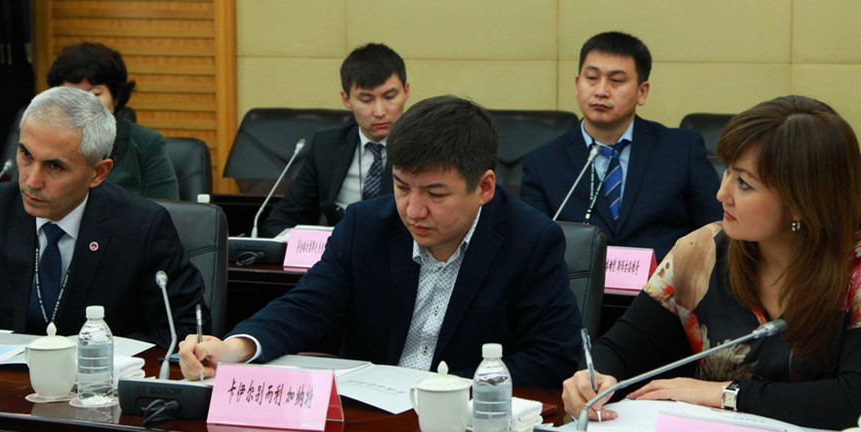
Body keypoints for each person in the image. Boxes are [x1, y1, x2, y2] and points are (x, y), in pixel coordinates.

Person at [180, 96, 582, 387]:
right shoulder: (366, 225)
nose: (413, 210)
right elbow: (309, 304)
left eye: (435, 194)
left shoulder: (531, 241)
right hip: (369, 417)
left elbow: (552, 357)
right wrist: (236, 348)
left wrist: (448, 388)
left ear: (485, 187)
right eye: (402, 187)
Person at [562, 96, 861, 430]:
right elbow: (621, 348)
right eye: (727, 170)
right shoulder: (701, 250)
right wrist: (591, 378)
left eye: (744, 183)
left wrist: (724, 394)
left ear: (802, 201)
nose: (721, 193)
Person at [0, 86, 207, 348]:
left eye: (55, 166)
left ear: (98, 172)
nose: (32, 181)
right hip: (4, 385)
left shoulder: (141, 227)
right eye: (26, 155)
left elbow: (184, 330)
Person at [520, 31, 720, 260]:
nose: (601, 91)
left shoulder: (681, 150)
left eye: (616, 81)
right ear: (577, 84)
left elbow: (715, 228)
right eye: (592, 78)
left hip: (665, 280)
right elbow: (531, 244)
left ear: (642, 92)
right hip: (576, 282)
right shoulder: (543, 163)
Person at [259, 43, 409, 237]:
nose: (380, 111)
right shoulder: (326, 147)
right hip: (337, 250)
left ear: (406, 91)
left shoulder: (423, 149)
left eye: (389, 97)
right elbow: (281, 221)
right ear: (346, 99)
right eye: (366, 100)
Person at [47, 42, 179, 200]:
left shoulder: (147, 143)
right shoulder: (43, 140)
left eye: (95, 94)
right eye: (72, 95)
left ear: (116, 97)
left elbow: (166, 209)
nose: (83, 104)